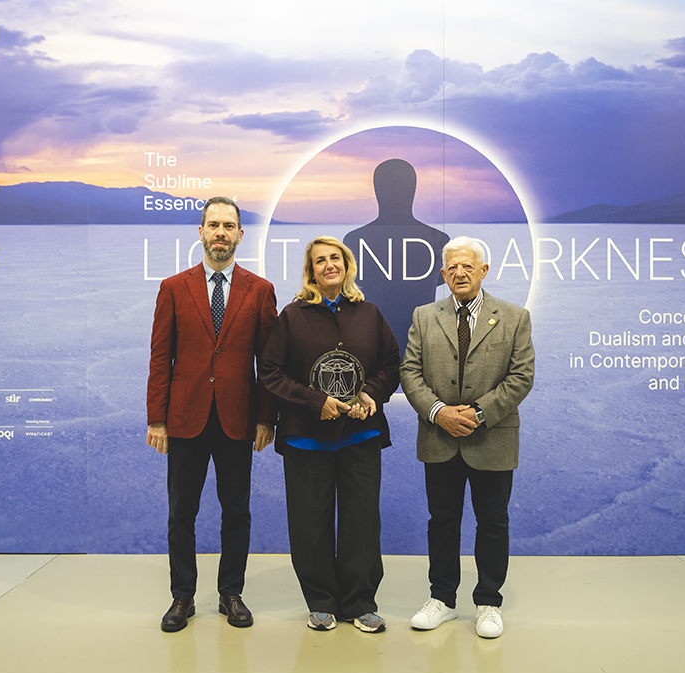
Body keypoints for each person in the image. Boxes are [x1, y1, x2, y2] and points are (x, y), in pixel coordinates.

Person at [146, 196, 277, 633]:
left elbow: (268, 363)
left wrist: (266, 418)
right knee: (181, 513)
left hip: (238, 419)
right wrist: (157, 419)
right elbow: (160, 358)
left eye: (229, 226)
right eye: (214, 225)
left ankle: (230, 593)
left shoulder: (260, 290)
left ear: (240, 234)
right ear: (200, 232)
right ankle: (182, 596)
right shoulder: (173, 288)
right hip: (185, 418)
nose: (221, 233)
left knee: (236, 511)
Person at [259, 236, 400, 633]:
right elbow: (270, 372)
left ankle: (360, 603)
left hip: (360, 435)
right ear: (311, 271)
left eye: (335, 258)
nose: (328, 265)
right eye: (319, 261)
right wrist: (313, 400)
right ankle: (321, 601)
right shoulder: (292, 316)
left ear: (347, 265)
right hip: (306, 437)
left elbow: (391, 364)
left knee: (361, 522)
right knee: (310, 523)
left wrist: (371, 393)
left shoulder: (369, 314)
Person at [399, 235, 534, 639]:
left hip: (492, 438)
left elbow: (521, 376)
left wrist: (477, 414)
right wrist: (439, 412)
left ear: (483, 271)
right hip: (439, 437)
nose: (459, 273)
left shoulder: (514, 317)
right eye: (452, 267)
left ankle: (489, 602)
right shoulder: (425, 315)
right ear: (443, 274)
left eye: (468, 266)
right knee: (442, 522)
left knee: (492, 522)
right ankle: (441, 598)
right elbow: (410, 372)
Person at [343, 158, 449, 360]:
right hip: (408, 346)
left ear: (376, 189)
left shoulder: (355, 240)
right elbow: (436, 281)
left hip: (382, 346)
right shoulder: (437, 240)